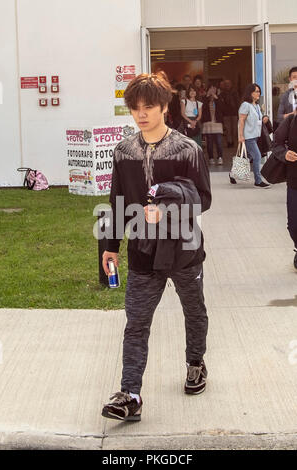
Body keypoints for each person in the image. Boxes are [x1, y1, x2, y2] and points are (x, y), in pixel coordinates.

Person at [101, 71, 212, 422]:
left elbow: (203, 200)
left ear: (165, 106)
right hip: (143, 252)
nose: (141, 114)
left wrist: (165, 209)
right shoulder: (123, 152)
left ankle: (195, 362)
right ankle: (130, 394)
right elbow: (116, 200)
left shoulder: (188, 149)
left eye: (148, 106)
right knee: (136, 322)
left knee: (193, 310)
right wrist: (109, 246)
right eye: (135, 108)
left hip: (184, 249)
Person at [232, 83, 270, 188]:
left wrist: (263, 119)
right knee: (257, 156)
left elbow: (256, 120)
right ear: (250, 93)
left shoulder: (256, 105)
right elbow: (241, 121)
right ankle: (258, 181)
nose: (259, 93)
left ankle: (232, 174)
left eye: (259, 91)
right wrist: (240, 136)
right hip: (248, 136)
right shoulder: (245, 105)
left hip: (255, 136)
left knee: (246, 157)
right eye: (256, 91)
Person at [273, 114, 297, 269]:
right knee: (294, 224)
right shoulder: (291, 121)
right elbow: (276, 144)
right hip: (295, 180)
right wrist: (284, 153)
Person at [201, 85, 224, 165]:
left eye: (214, 88)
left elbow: (222, 108)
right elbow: (202, 107)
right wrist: (207, 96)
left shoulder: (219, 98)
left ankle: (220, 157)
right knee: (209, 142)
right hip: (208, 123)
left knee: (219, 142)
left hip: (217, 123)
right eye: (210, 88)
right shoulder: (205, 99)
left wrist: (216, 98)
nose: (212, 90)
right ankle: (211, 158)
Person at [219, 79, 239, 148]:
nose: (227, 85)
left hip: (234, 113)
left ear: (231, 84)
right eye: (226, 84)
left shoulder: (235, 92)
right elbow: (221, 105)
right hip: (226, 114)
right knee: (228, 129)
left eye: (228, 83)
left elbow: (238, 103)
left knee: (234, 129)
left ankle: (233, 141)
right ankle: (229, 142)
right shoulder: (222, 94)